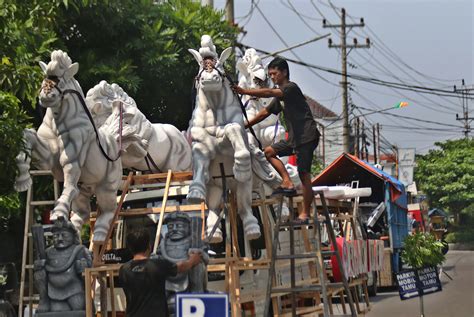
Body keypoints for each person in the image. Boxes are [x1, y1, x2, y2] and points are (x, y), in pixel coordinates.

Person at [233, 57, 320, 223]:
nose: (272, 77)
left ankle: (305, 214)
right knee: (269, 152)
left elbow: (269, 92)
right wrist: (244, 125)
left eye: (274, 74)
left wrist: (245, 92)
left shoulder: (290, 88)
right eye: (270, 74)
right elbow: (264, 113)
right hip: (294, 138)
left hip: (307, 137)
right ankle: (287, 182)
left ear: (284, 72)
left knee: (304, 175)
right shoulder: (280, 97)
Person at [118, 229, 202, 317]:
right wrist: (192, 261)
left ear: (130, 248)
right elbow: (180, 267)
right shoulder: (157, 265)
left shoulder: (124, 269)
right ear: (149, 246)